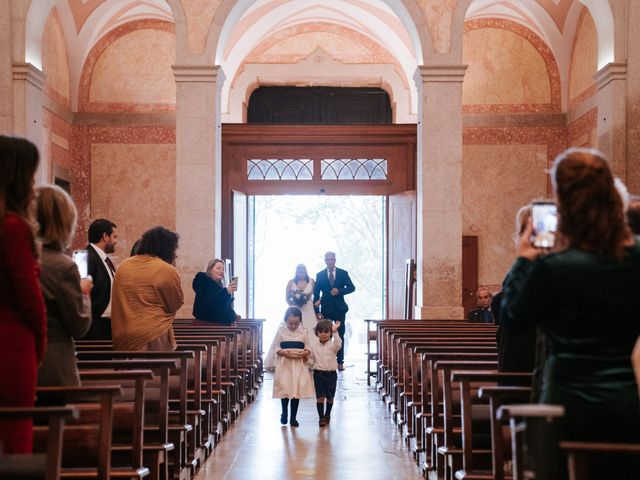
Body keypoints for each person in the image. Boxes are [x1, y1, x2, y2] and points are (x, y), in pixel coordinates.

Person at [501, 148, 640, 476]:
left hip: (565, 405)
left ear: (562, 203)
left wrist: (523, 259)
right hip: (624, 401)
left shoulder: (553, 268)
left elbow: (511, 318)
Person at [0, 135, 47, 454]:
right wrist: (39, 343)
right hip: (12, 345)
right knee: (16, 437)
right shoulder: (13, 227)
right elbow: (30, 298)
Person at [35, 185, 92, 386]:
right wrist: (84, 291)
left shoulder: (15, 258)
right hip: (50, 367)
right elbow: (79, 325)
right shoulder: (62, 266)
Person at [111, 226, 183, 351]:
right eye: (174, 248)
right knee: (153, 370)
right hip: (152, 334)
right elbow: (175, 303)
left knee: (126, 370)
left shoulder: (123, 266)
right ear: (167, 248)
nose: (176, 254)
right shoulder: (165, 269)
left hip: (122, 334)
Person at [265, 264, 317, 369]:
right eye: (299, 271)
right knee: (289, 330)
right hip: (294, 310)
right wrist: (293, 304)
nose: (301, 273)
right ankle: (288, 355)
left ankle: (311, 359)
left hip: (308, 310)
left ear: (306, 272)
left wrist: (308, 302)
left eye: (303, 271)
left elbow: (314, 296)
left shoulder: (311, 281)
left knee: (311, 332)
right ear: (296, 272)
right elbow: (287, 298)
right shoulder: (291, 282)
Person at [270, 307, 315, 427]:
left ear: (300, 321)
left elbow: (308, 345)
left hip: (298, 364)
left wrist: (306, 351)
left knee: (296, 389)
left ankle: (293, 417)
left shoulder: (304, 332)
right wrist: (281, 352)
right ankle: (284, 412)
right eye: (291, 323)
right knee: (285, 388)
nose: (294, 326)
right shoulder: (281, 331)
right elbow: (275, 346)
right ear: (285, 320)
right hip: (285, 363)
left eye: (296, 323)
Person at [314, 251, 355, 370]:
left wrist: (340, 291)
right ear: (325, 261)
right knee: (325, 334)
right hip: (326, 308)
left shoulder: (343, 273)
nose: (330, 261)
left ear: (335, 260)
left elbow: (352, 287)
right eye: (328, 259)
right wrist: (317, 311)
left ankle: (340, 362)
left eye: (332, 259)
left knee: (340, 334)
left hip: (339, 309)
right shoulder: (320, 275)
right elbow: (316, 295)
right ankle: (325, 359)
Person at [84, 218, 118, 340]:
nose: (116, 242)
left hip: (105, 326)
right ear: (105, 236)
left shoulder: (105, 260)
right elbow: (79, 294)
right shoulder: (84, 257)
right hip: (93, 328)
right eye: (115, 237)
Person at [309, 319, 342, 427]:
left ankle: (327, 414)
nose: (323, 334)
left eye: (326, 332)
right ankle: (321, 418)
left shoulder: (333, 346)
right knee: (320, 397)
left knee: (330, 397)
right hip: (318, 374)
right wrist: (305, 360)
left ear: (330, 333)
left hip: (331, 374)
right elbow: (311, 360)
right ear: (317, 333)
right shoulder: (313, 347)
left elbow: (338, 343)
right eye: (320, 332)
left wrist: (335, 331)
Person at [192, 258, 238, 324]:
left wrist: (233, 314)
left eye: (223, 269)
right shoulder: (206, 283)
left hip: (215, 325)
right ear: (210, 270)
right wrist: (226, 291)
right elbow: (212, 303)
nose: (221, 271)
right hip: (207, 326)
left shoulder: (219, 286)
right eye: (218, 268)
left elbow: (222, 308)